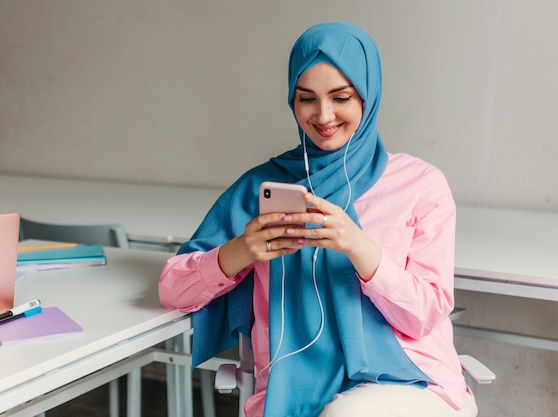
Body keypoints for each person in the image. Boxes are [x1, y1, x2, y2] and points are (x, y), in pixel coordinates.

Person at [159, 22, 478, 417]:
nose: (324, 115)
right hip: (289, 387)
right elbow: (172, 288)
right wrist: (241, 251)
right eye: (306, 98)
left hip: (407, 382)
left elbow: (426, 314)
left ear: (368, 94)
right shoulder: (260, 187)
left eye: (341, 97)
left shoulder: (420, 185)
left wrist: (359, 247)